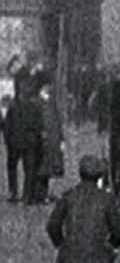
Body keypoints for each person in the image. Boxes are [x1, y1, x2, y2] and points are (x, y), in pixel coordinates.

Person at [4, 80, 42, 203]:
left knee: (12, 168)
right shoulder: (35, 108)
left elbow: (7, 126)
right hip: (30, 143)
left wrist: (7, 140)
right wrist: (36, 140)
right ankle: (27, 194)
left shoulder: (13, 108)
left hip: (14, 143)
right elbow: (39, 126)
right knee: (29, 170)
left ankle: (13, 192)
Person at [31, 73, 64, 205]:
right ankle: (40, 194)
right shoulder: (37, 103)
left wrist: (62, 138)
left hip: (53, 140)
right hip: (44, 141)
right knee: (42, 169)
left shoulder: (51, 102)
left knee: (50, 169)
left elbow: (57, 121)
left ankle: (46, 193)